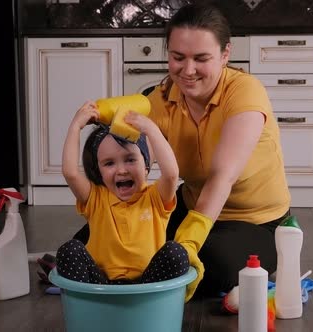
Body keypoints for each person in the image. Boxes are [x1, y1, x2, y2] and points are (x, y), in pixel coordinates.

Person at [146, 3, 292, 298]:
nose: (188, 71)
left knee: (212, 261)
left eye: (201, 58)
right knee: (97, 239)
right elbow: (133, 162)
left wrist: (189, 242)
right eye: (178, 58)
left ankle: (143, 274)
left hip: (256, 222)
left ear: (225, 54)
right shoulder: (161, 98)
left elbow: (221, 177)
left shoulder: (244, 92)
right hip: (193, 207)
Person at [56, 101, 189, 286]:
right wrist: (76, 126)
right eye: (109, 163)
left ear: (146, 166)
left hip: (147, 285)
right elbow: (70, 172)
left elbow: (172, 174)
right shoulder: (96, 198)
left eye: (130, 159)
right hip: (102, 286)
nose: (122, 170)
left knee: (177, 252)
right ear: (99, 171)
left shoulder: (155, 198)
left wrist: (152, 130)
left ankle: (148, 308)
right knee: (69, 250)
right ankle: (91, 307)